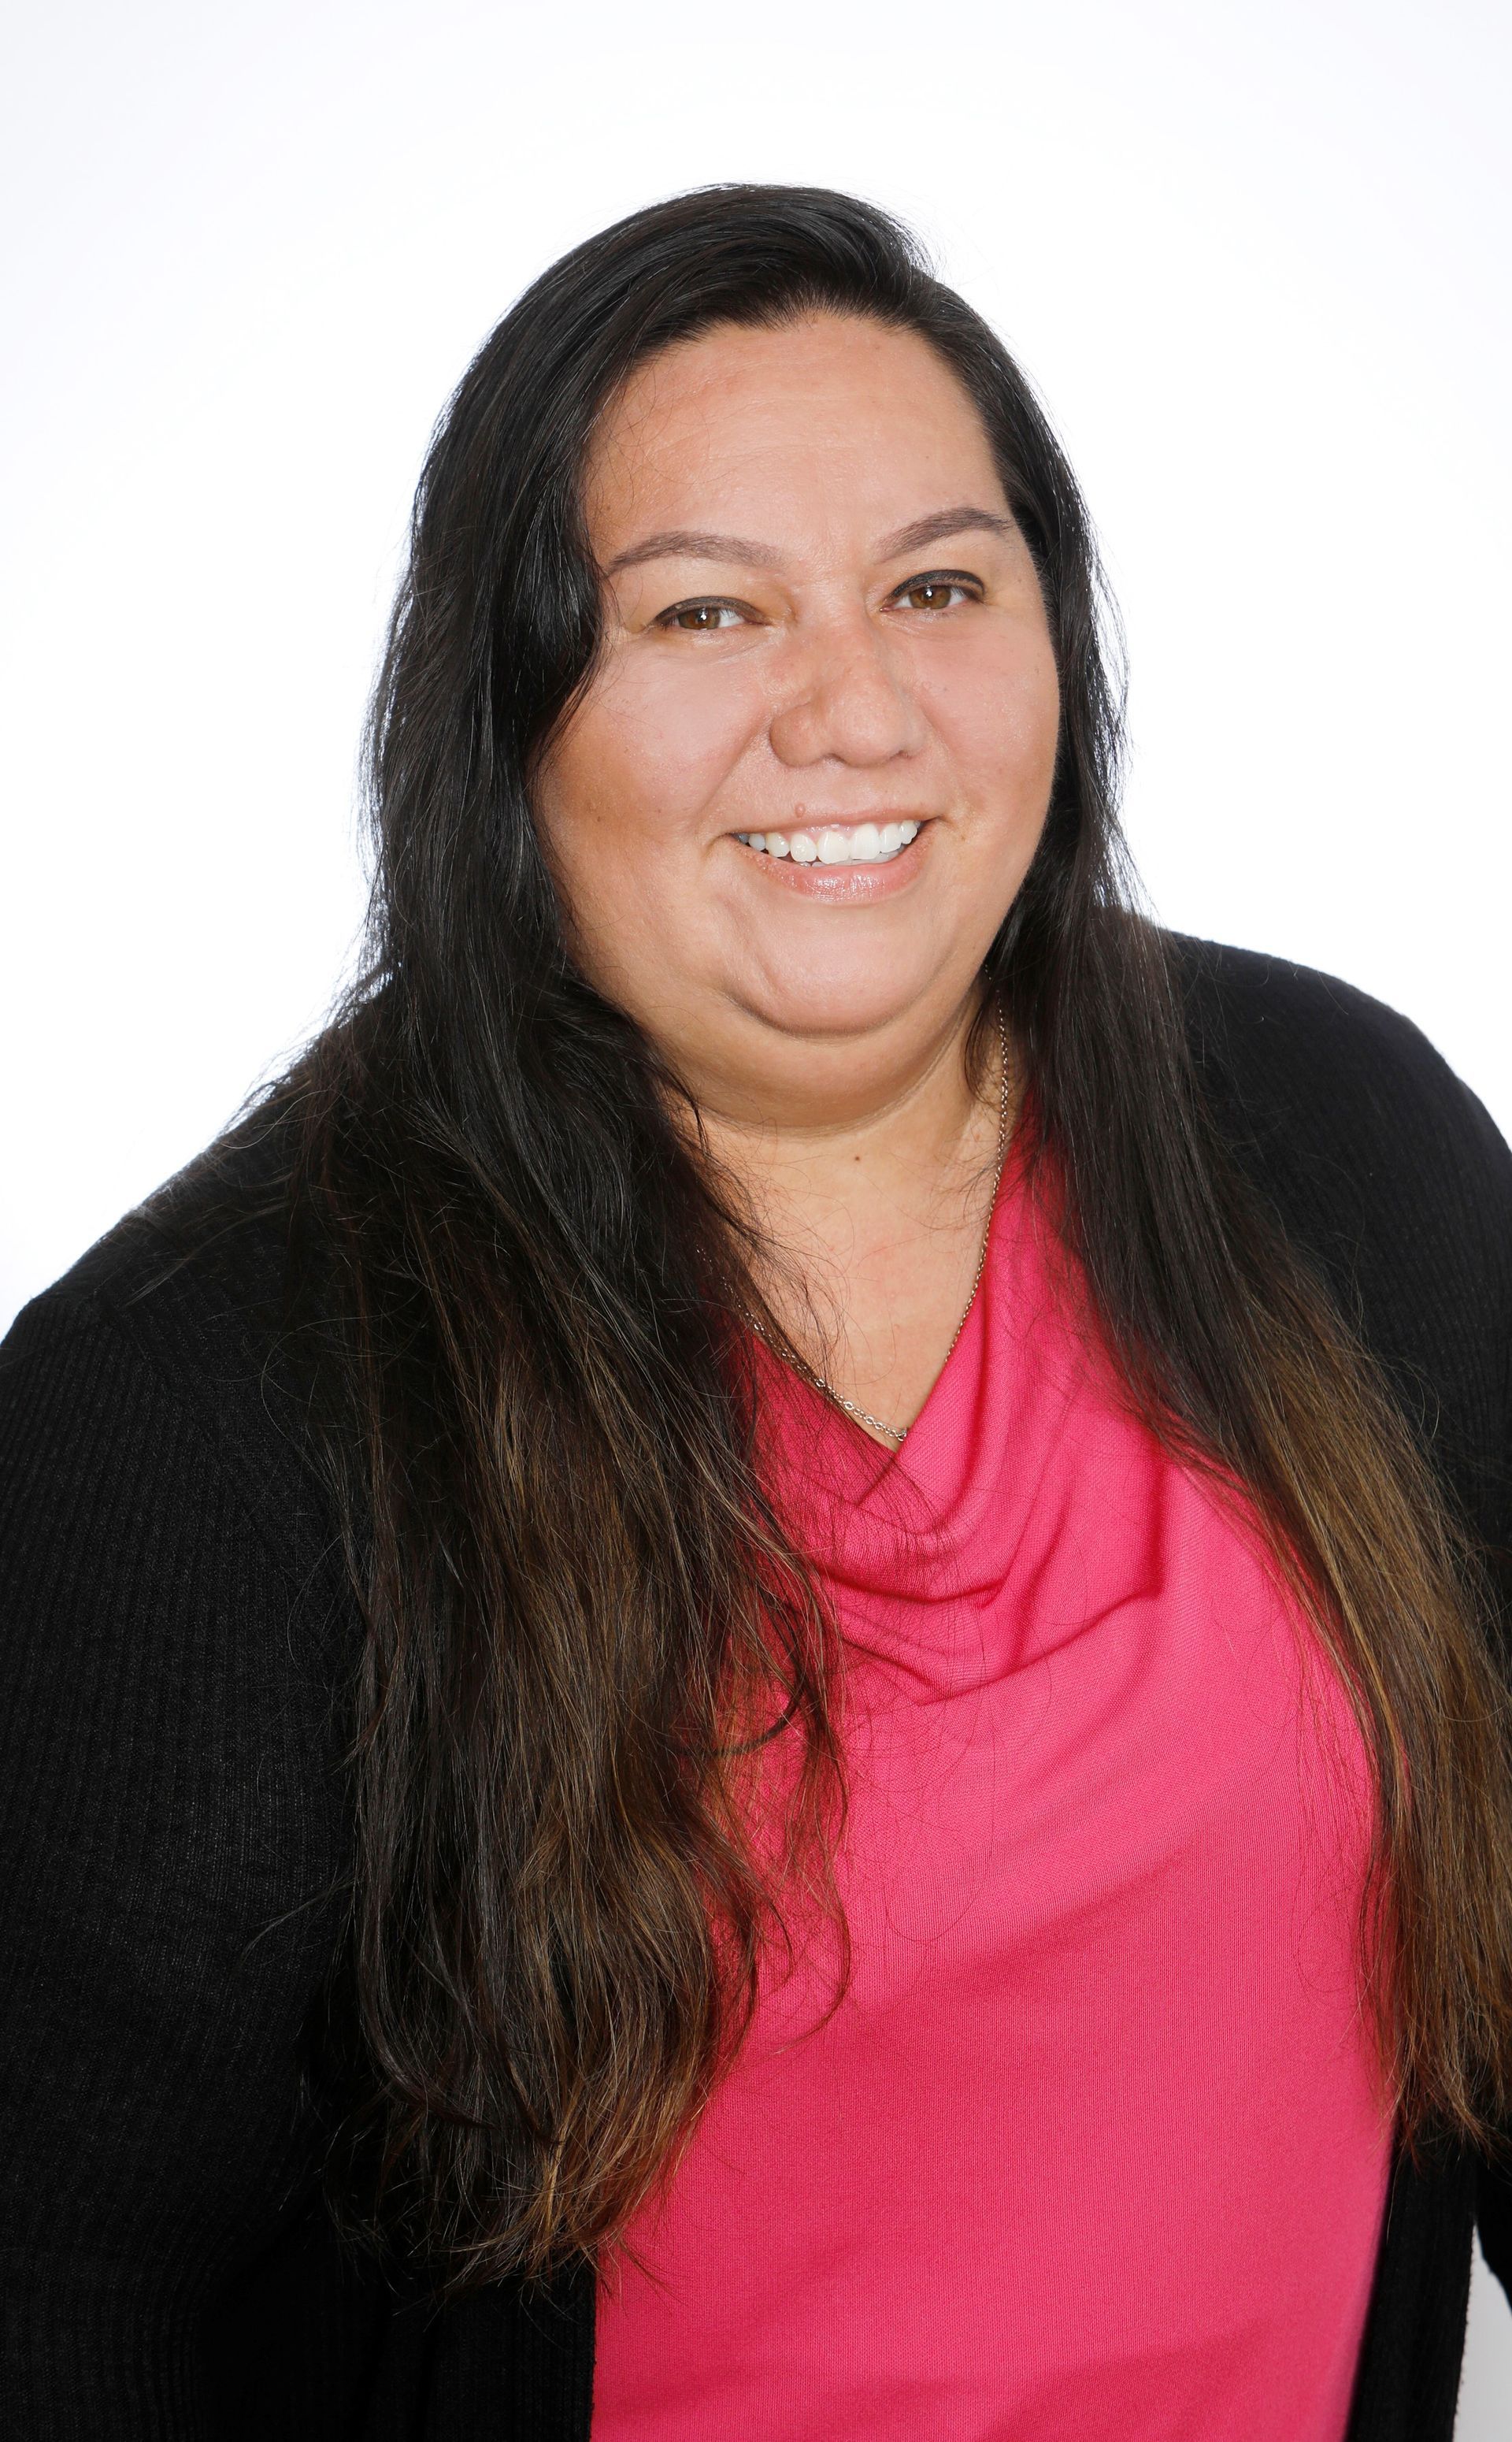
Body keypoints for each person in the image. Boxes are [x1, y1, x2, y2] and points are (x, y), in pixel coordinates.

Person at [2, 184, 1509, 2442]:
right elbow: (55, 2294)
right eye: (708, 610)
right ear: (510, 714)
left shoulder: (1335, 1133)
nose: (855, 708)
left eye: (937, 585)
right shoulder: (203, 1405)